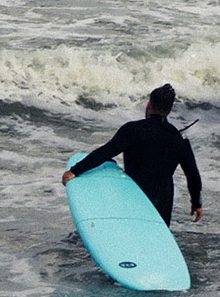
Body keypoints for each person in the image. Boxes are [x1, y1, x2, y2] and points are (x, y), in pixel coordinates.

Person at [62, 83, 203, 224]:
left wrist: (75, 170)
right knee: (154, 236)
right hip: (161, 202)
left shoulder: (133, 130)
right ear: (170, 110)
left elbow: (105, 152)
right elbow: (193, 176)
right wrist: (197, 203)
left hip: (132, 194)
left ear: (149, 104)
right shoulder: (179, 139)